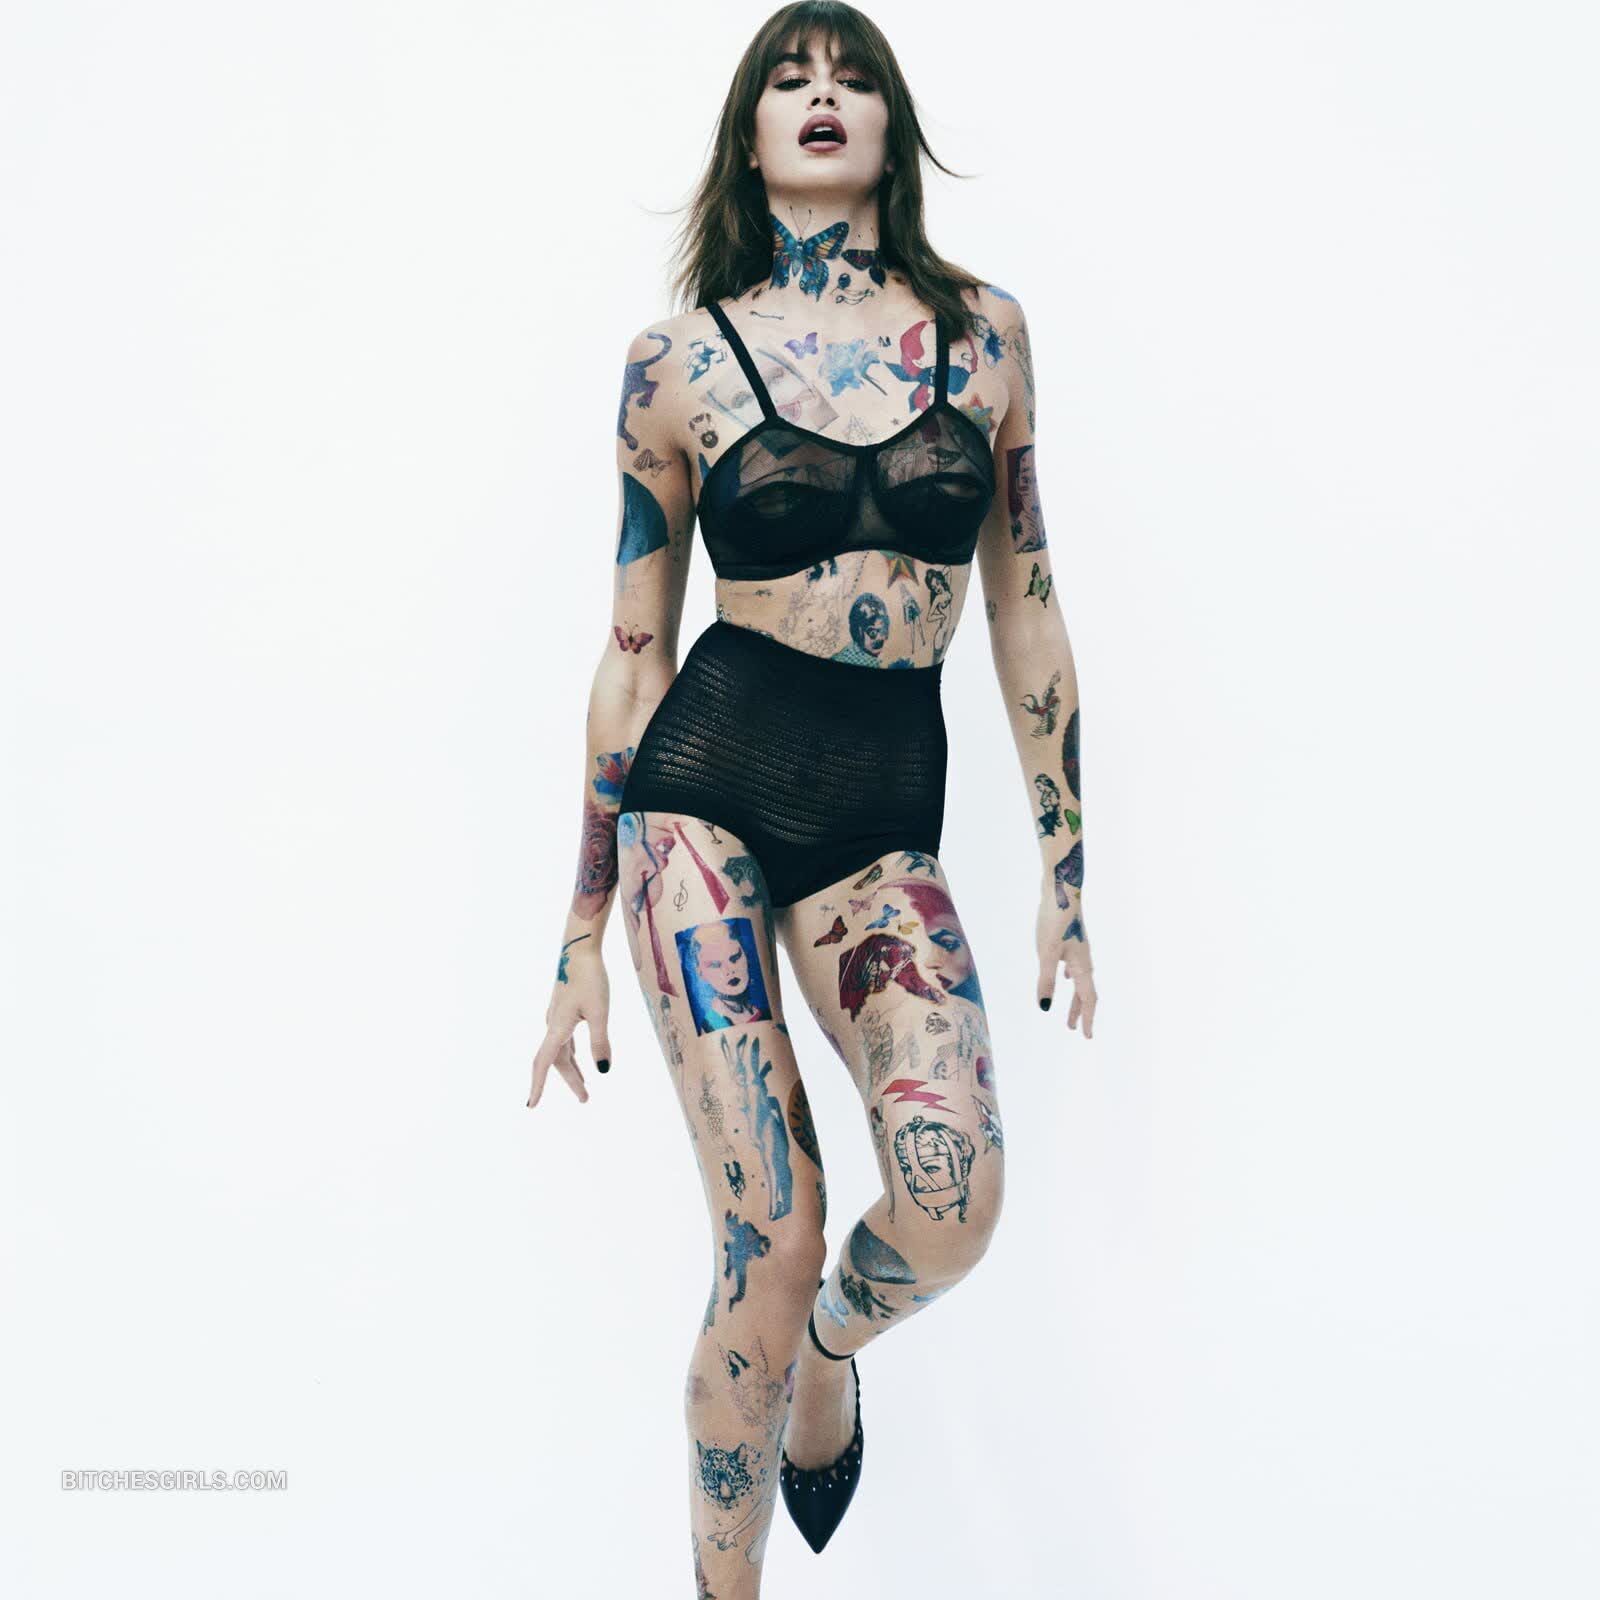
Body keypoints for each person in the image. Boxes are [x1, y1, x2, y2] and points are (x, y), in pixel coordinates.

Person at [529, 4, 1097, 1593]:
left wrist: (1067, 875)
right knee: (766, 1244)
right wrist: (578, 932)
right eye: (791, 80)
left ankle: (832, 1358)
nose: (823, 96)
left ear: (892, 126)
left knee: (955, 1202)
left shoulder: (987, 338)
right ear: (751, 136)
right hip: (703, 790)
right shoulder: (678, 365)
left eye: (853, 78)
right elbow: (632, 658)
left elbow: (1027, 608)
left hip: (878, 815)